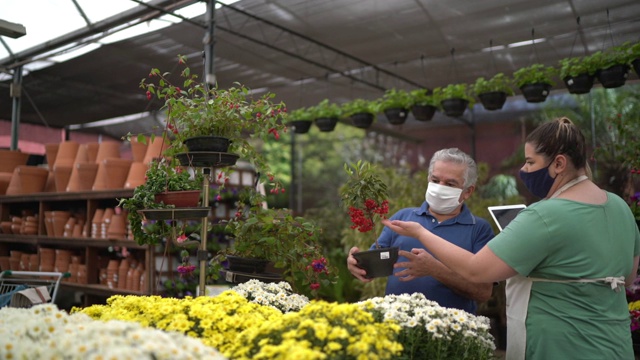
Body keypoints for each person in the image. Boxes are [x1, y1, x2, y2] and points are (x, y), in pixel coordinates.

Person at [382, 117, 640, 360]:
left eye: (530, 162)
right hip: (615, 345)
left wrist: (420, 232)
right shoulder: (619, 207)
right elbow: (627, 277)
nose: (523, 169)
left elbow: (477, 270)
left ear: (559, 164)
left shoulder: (544, 214)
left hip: (561, 346)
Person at [347, 148, 495, 315]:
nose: (440, 187)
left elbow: (483, 292)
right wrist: (358, 264)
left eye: (450, 184)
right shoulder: (403, 217)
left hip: (450, 331)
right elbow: (375, 264)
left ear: (468, 191)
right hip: (396, 325)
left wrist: (435, 270)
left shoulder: (479, 229)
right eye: (435, 180)